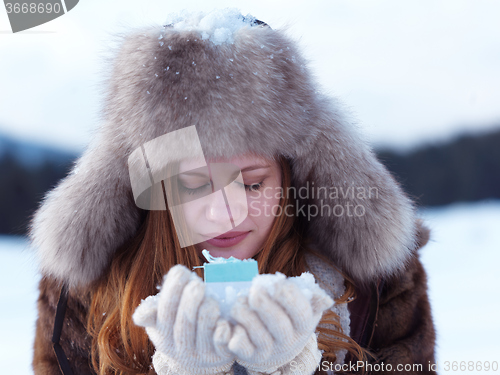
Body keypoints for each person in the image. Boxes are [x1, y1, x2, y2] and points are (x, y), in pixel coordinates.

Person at [29, 9, 436, 375]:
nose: (223, 214)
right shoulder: (87, 295)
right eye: (192, 184)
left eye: (252, 183)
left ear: (292, 178)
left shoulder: (373, 288)